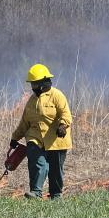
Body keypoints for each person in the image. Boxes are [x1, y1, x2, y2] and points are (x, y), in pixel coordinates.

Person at [10, 64, 73, 200]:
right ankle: (36, 193)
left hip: (56, 140)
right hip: (36, 138)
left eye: (35, 83)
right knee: (38, 162)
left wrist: (63, 126)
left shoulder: (57, 95)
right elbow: (25, 123)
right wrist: (15, 138)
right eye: (32, 83)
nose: (33, 87)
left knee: (56, 170)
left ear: (44, 82)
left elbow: (66, 114)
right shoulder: (32, 101)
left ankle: (56, 196)